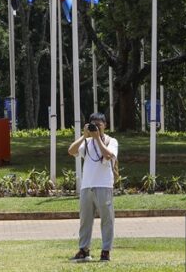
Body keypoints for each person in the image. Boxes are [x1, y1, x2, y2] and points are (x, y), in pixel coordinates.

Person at [67, 112, 118, 262]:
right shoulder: (87, 142)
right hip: (87, 185)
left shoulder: (111, 140)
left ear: (105, 125)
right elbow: (71, 151)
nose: (96, 126)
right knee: (85, 219)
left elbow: (108, 156)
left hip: (103, 184)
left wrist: (97, 138)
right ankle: (84, 250)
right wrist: (84, 136)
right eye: (93, 124)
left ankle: (106, 251)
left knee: (107, 219)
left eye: (99, 124)